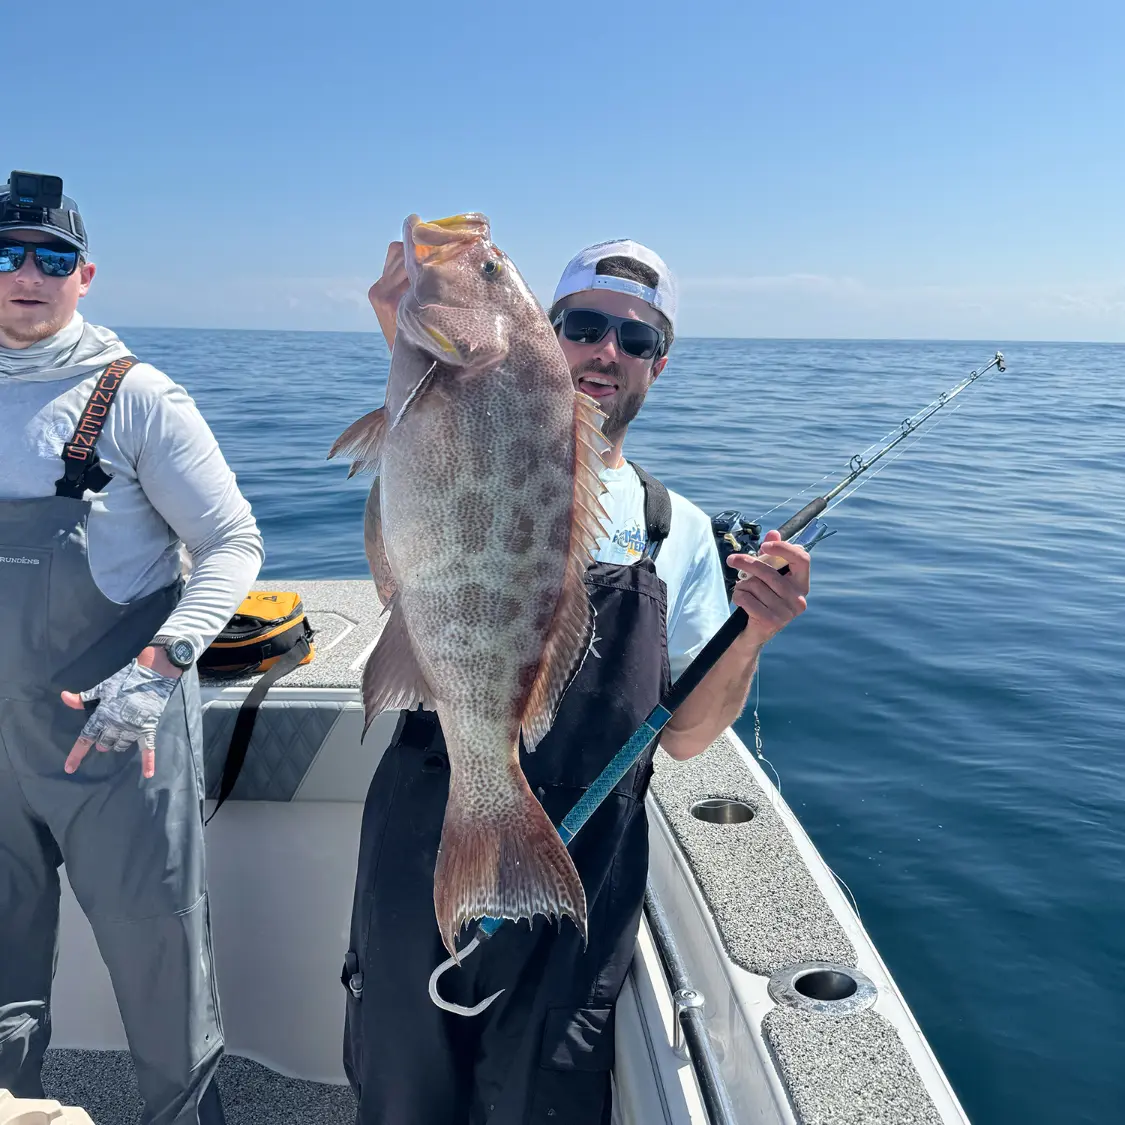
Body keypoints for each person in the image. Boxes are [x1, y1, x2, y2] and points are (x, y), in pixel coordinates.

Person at [342, 233, 811, 1124]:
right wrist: (408, 331)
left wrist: (750, 636)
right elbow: (412, 513)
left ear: (657, 367)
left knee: (543, 1095)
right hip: (424, 820)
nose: (607, 352)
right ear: (542, 337)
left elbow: (685, 735)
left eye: (635, 340)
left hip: (584, 864)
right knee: (400, 1085)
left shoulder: (676, 529)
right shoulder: (441, 412)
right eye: (585, 326)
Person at [0, 171, 264, 1124]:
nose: (27, 274)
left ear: (85, 275)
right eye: (6, 254)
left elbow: (233, 542)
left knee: (164, 983)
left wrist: (160, 667)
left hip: (122, 744)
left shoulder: (136, 395)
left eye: (52, 258)